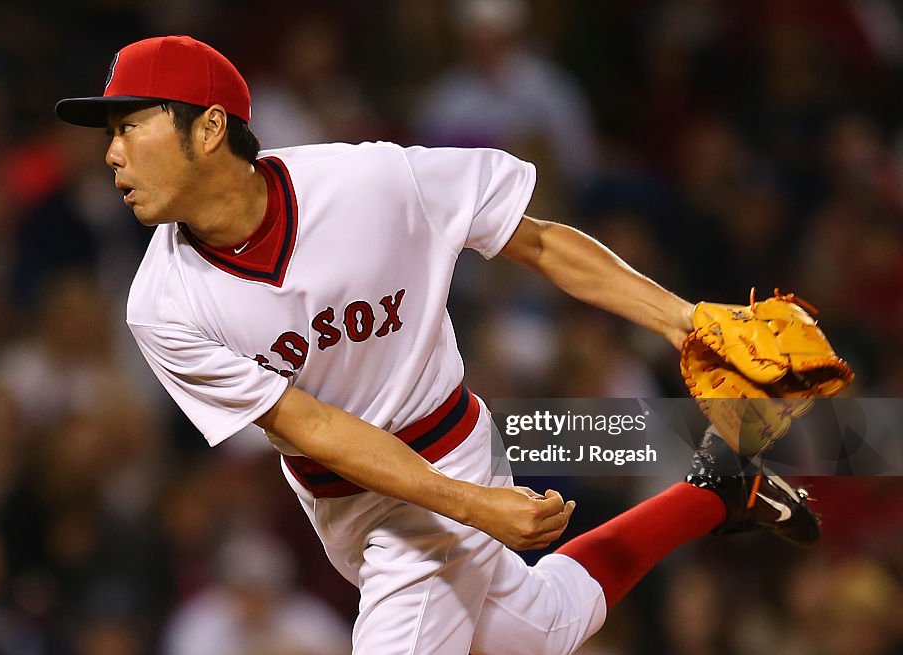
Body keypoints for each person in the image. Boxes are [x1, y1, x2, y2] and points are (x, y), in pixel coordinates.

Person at [55, 35, 819, 655]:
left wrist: (683, 319)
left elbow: (540, 243)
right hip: (347, 501)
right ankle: (718, 489)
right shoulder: (161, 303)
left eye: (129, 124)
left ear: (210, 126)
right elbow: (308, 427)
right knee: (544, 625)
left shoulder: (367, 183)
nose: (112, 152)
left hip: (441, 456)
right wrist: (477, 507)